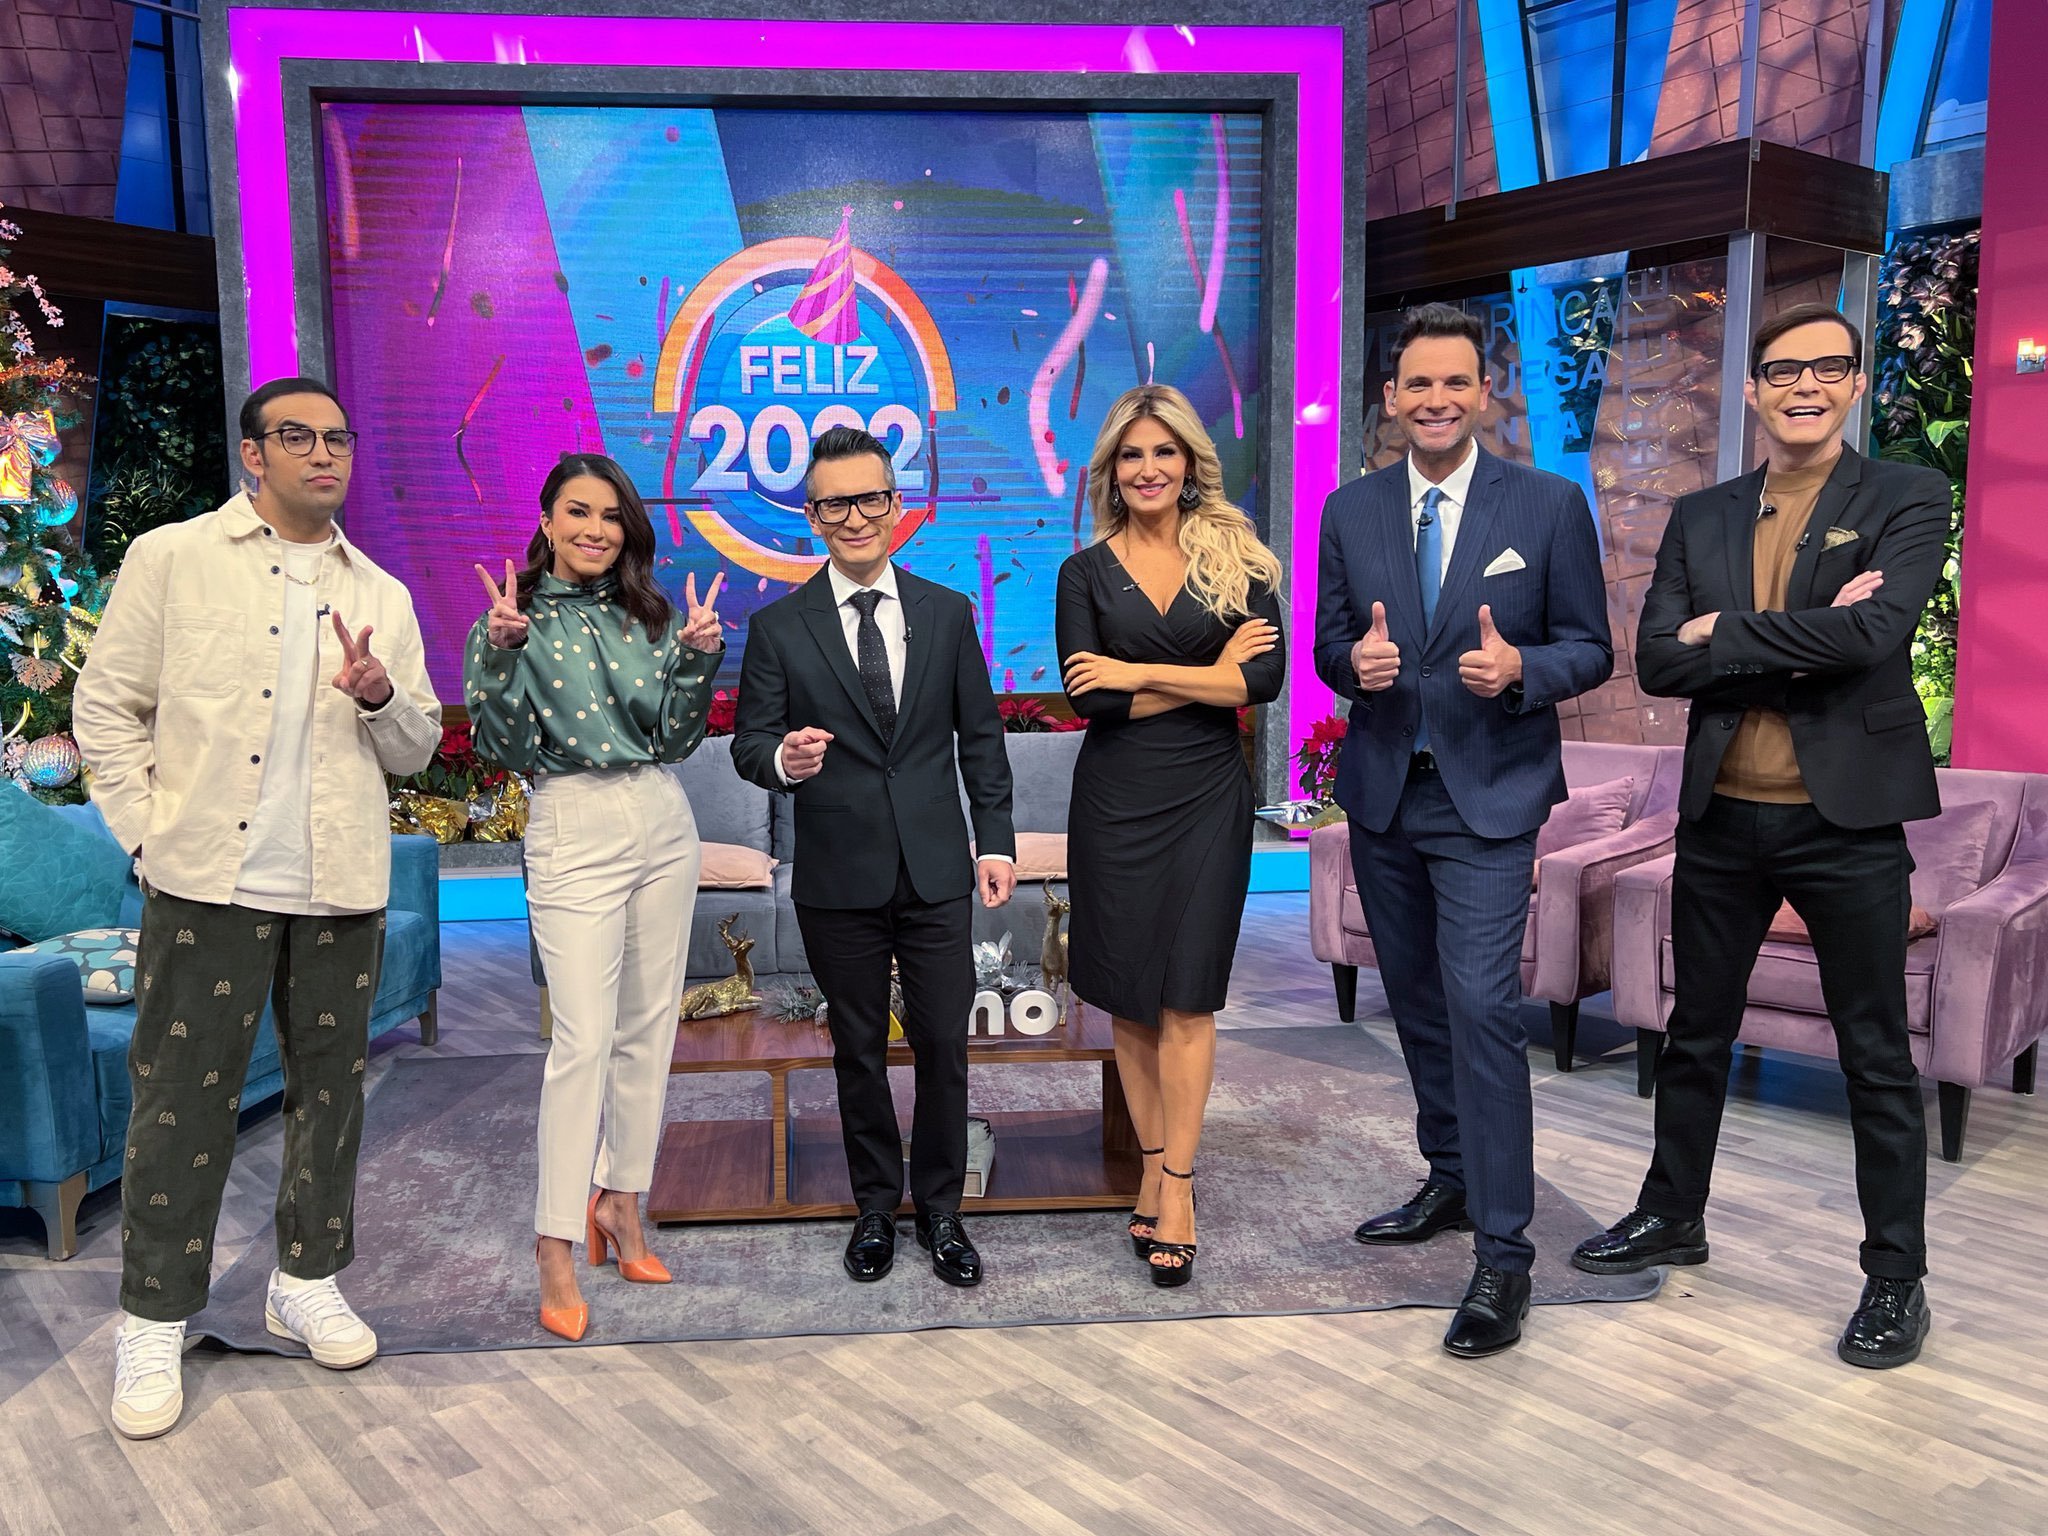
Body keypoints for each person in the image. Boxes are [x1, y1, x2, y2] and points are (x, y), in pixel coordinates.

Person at [1572, 303, 1950, 1369]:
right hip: (1721, 817)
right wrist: (1806, 633)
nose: (1804, 386)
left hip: (1846, 823)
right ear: (1751, 391)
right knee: (1694, 1032)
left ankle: (1894, 1278)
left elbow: (1875, 633)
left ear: (1855, 383)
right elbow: (1659, 661)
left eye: (1827, 368)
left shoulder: (1907, 494)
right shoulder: (1703, 515)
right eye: (1782, 370)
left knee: (1875, 1056)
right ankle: (1671, 1214)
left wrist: (1723, 632)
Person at [73, 377, 441, 1438]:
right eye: (298, 436)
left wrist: (379, 696)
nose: (323, 454)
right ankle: (154, 1314)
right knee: (179, 1102)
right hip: (206, 882)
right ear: (253, 452)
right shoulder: (174, 558)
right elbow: (105, 706)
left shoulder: (381, 592)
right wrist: (149, 836)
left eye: (338, 439)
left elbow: (416, 748)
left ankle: (306, 1282)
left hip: (338, 885)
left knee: (333, 1097)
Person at [1314, 303, 1612, 1358]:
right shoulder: (1349, 511)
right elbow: (1327, 645)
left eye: (1455, 383)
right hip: (1385, 795)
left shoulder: (1546, 504)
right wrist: (1354, 665)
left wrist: (1523, 668)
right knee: (1418, 1005)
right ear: (1390, 399)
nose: (1436, 400)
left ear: (1484, 393)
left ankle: (1503, 1254)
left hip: (1488, 799)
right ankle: (1448, 1174)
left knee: (1483, 1008)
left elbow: (1591, 648)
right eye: (1417, 385)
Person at [731, 425, 1016, 1287]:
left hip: (936, 872)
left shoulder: (946, 612)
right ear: (811, 516)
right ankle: (874, 1209)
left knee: (943, 1046)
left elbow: (981, 738)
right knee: (857, 1050)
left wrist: (995, 841)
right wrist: (785, 760)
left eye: (870, 498)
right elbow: (750, 744)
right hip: (836, 877)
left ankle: (942, 1210)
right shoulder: (779, 628)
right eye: (835, 504)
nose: (855, 517)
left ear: (897, 504)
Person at [465, 453, 724, 1342]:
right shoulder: (512, 617)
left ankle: (621, 1201)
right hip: (571, 819)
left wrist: (697, 661)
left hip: (661, 813)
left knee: (650, 1029)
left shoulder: (648, 615)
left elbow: (675, 739)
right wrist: (502, 653)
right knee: (581, 1042)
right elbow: (501, 746)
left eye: (612, 516)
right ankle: (554, 1244)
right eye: (578, 512)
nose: (596, 530)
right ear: (546, 520)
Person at [1055, 384, 1285, 1287]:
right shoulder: (1083, 573)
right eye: (1132, 454)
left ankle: (1178, 1188)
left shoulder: (1240, 557)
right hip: (1115, 801)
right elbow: (1093, 701)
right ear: (1111, 468)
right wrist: (1202, 673)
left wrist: (1137, 673)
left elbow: (1259, 684)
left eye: (1164, 452)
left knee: (1188, 996)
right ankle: (1151, 1166)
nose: (1148, 468)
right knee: (1129, 999)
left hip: (1205, 800)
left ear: (1189, 462)